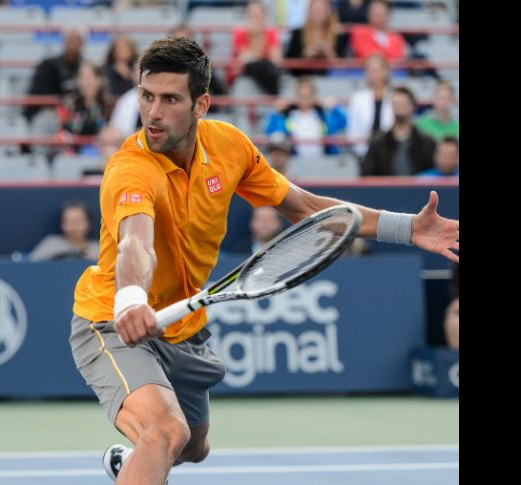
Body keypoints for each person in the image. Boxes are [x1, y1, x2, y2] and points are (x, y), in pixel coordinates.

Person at [68, 37, 458, 484]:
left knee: (193, 446)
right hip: (114, 322)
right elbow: (136, 243)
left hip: (182, 330)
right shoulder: (129, 170)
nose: (153, 113)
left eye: (170, 99)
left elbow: (306, 209)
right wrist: (130, 301)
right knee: (163, 431)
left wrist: (406, 228)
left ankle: (128, 466)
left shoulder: (229, 146)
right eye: (147, 96)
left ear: (201, 104)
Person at [362, 86, 436, 176]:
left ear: (412, 106)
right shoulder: (378, 142)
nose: (399, 108)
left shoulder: (426, 143)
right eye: (396, 104)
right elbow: (368, 175)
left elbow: (434, 174)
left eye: (403, 104)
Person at [264, 76, 347, 156]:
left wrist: (335, 107)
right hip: (294, 161)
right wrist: (276, 113)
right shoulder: (287, 116)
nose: (304, 99)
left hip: (322, 161)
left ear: (314, 96)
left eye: (308, 95)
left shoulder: (324, 116)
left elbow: (343, 123)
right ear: (296, 96)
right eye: (301, 95)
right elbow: (271, 133)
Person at [23, 25, 86, 123]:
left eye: (77, 39)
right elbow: (38, 95)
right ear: (63, 41)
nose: (73, 43)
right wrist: (62, 103)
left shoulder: (87, 67)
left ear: (82, 43)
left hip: (78, 114)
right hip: (50, 114)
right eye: (70, 39)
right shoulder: (48, 65)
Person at [227, 1, 283, 94]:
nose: (256, 20)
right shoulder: (240, 33)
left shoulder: (271, 33)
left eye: (258, 16)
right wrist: (256, 37)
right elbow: (245, 58)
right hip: (244, 72)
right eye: (252, 16)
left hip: (266, 72)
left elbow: (276, 59)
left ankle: (275, 95)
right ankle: (275, 95)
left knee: (265, 65)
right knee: (258, 65)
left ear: (264, 17)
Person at [346, 53, 394, 157]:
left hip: (391, 152)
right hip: (364, 153)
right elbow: (353, 131)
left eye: (377, 69)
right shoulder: (357, 99)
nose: (374, 74)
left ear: (386, 71)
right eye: (370, 70)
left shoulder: (395, 96)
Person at [285, 0, 349, 76]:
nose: (319, 14)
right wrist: (305, 54)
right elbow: (289, 65)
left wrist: (330, 54)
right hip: (303, 78)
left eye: (322, 11)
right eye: (316, 10)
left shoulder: (339, 35)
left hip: (331, 79)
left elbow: (345, 67)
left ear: (329, 12)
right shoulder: (298, 34)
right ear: (309, 11)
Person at [29, 201, 100, 261]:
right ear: (62, 224)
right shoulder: (51, 243)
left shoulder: (98, 249)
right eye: (68, 221)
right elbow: (31, 266)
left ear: (89, 224)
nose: (73, 226)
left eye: (78, 221)